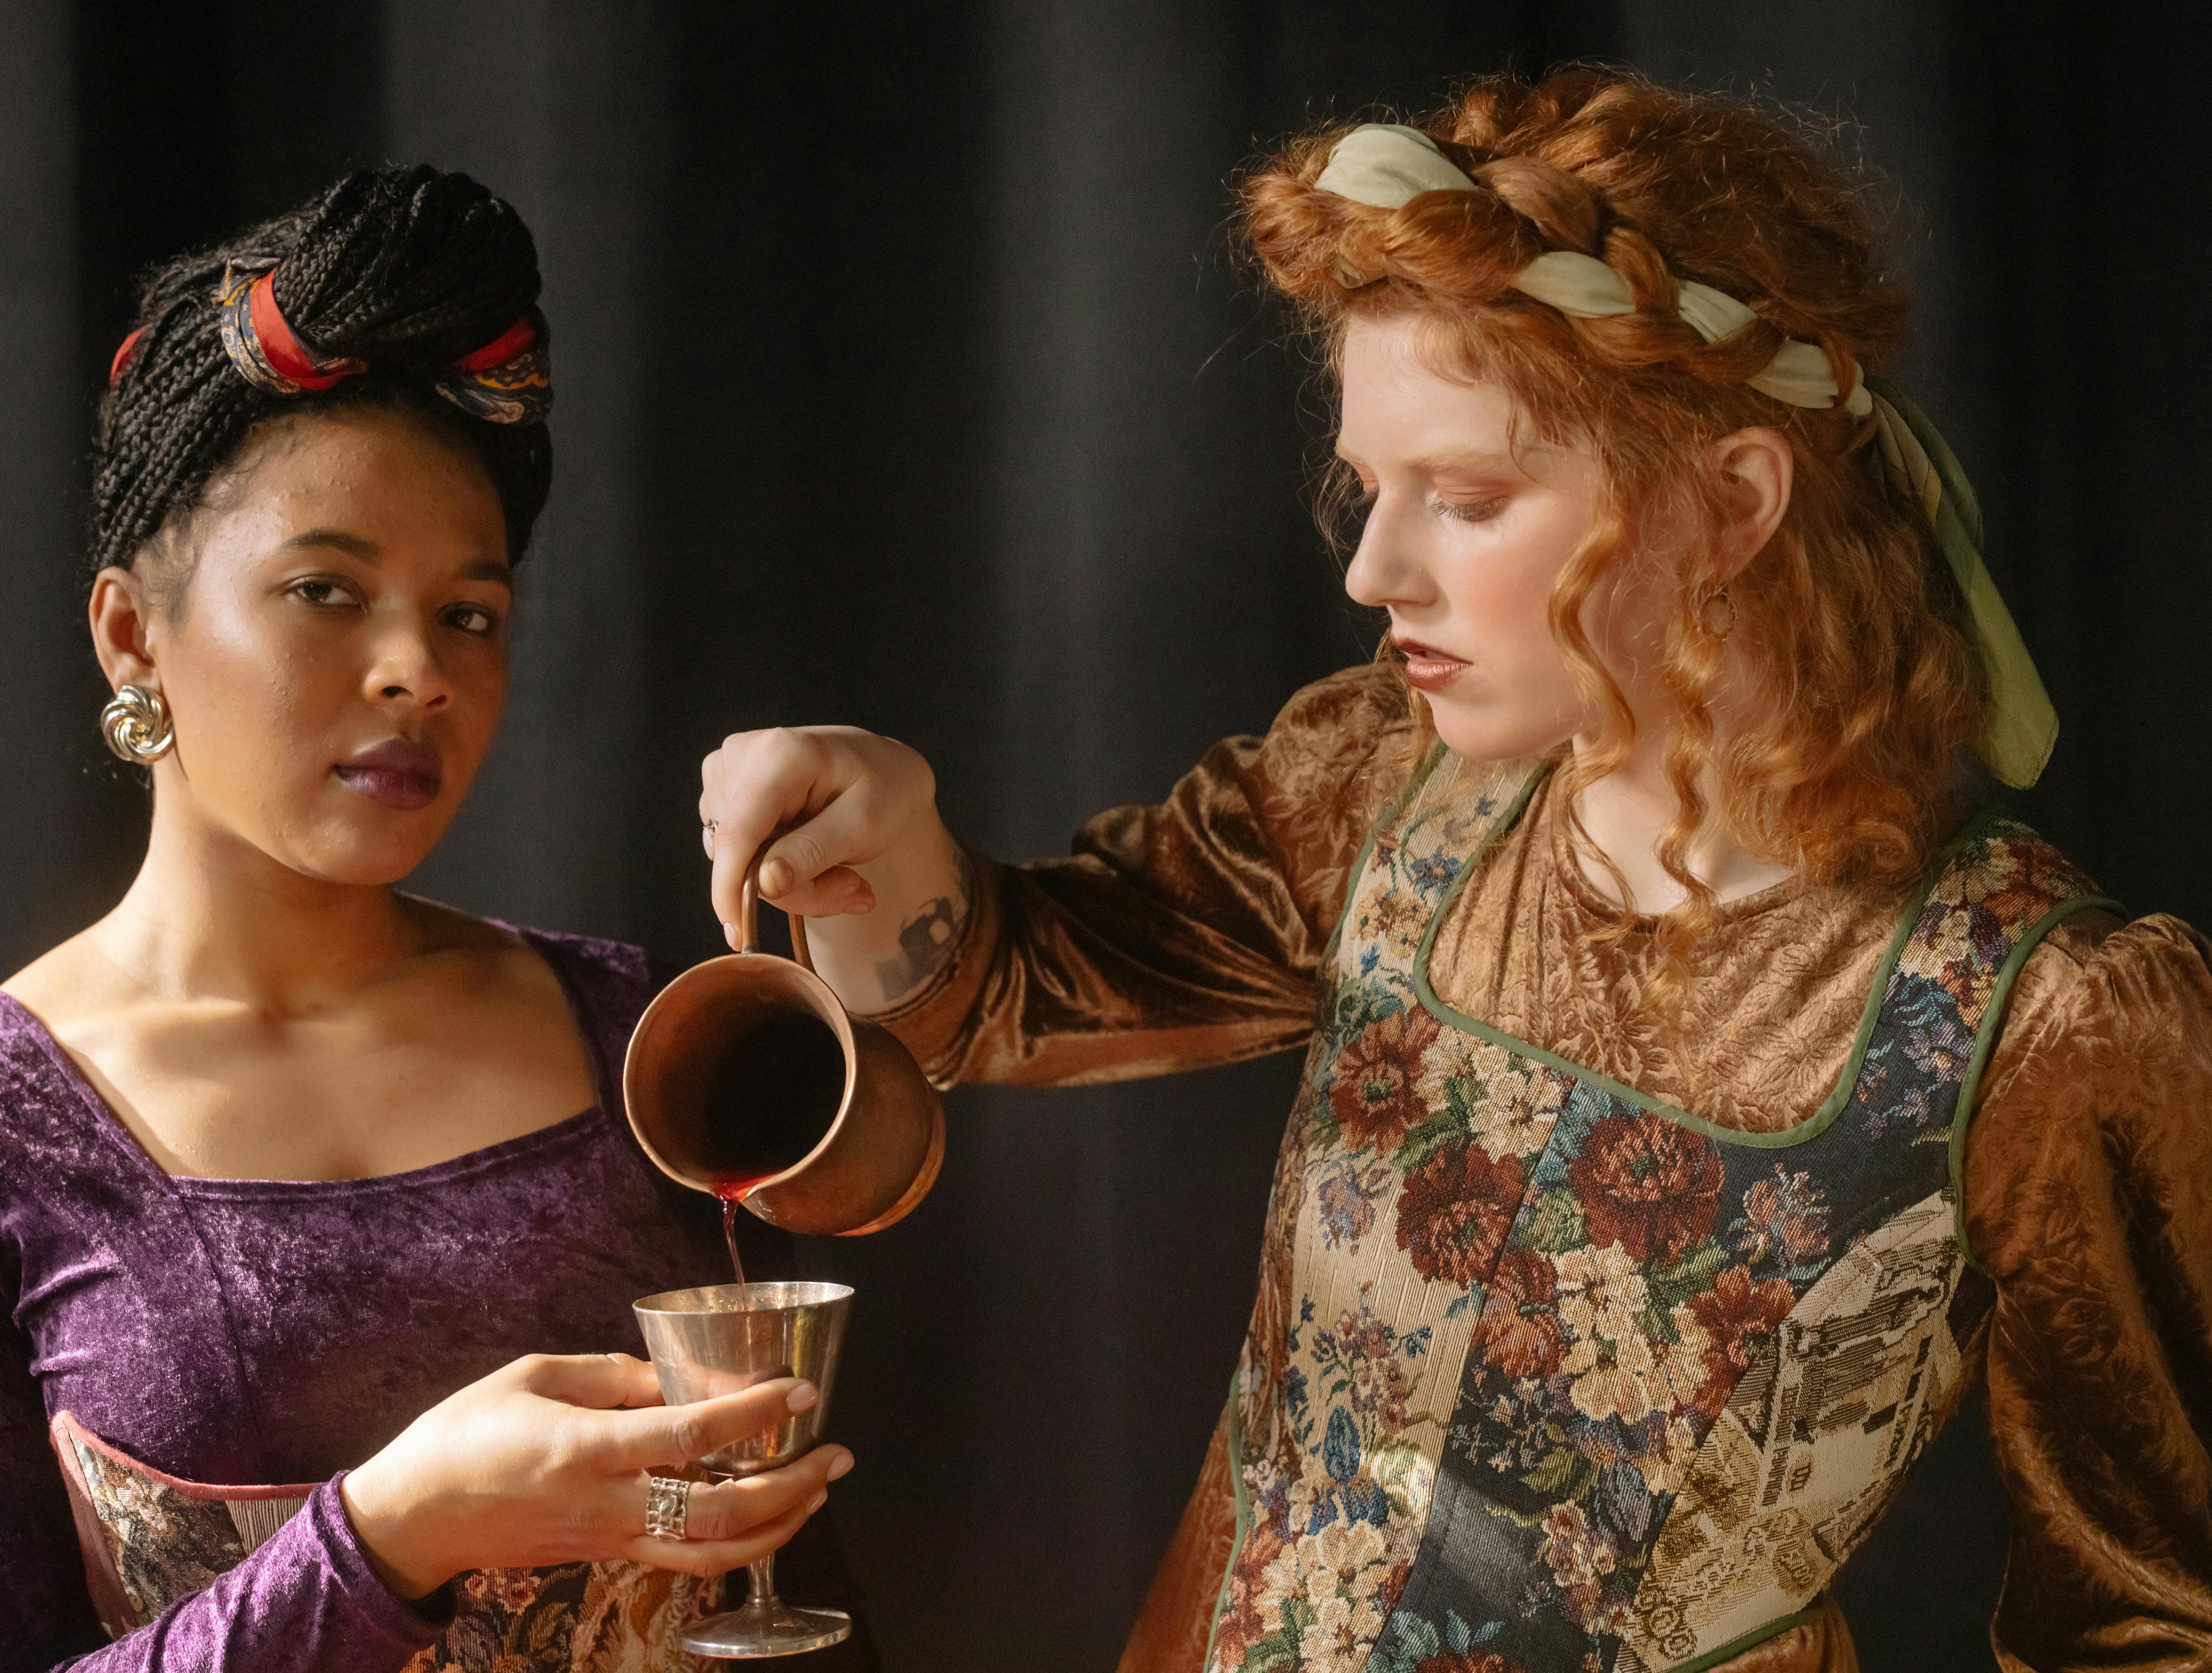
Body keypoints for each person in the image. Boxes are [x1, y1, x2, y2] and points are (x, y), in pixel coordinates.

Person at [699, 70, 2212, 1673]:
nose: (1373, 568)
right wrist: (880, 839)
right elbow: (1011, 983)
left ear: (1730, 501)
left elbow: (2154, 1622)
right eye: (1371, 488)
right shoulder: (1388, 782)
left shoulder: (2047, 1018)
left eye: (1469, 500)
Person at [0, 167, 863, 1673]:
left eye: (469, 613)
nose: (416, 668)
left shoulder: (636, 1032)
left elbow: (789, 1600)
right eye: (324, 592)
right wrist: (392, 1532)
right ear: (129, 633)